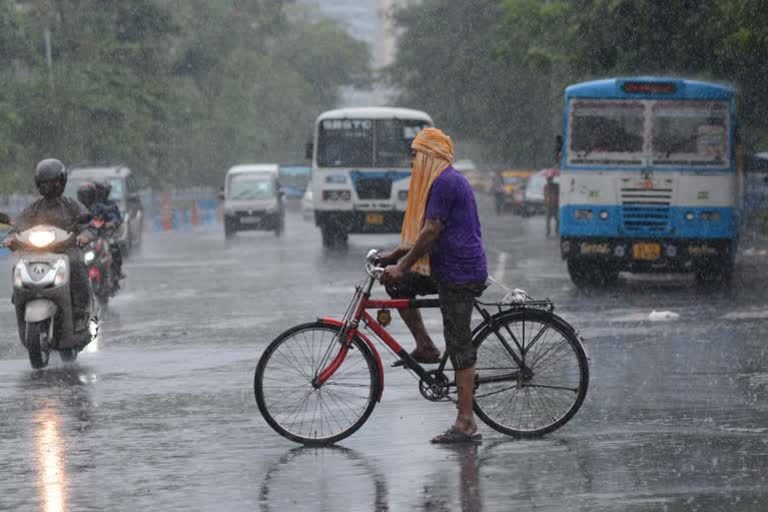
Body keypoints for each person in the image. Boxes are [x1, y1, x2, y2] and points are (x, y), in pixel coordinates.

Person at [377, 127, 488, 443]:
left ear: (430, 156)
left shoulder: (444, 182)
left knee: (459, 346)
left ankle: (466, 422)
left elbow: (431, 231)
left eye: (416, 155)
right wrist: (395, 256)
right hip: (444, 266)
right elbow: (420, 231)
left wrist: (402, 265)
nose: (413, 162)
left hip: (460, 272)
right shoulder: (437, 182)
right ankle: (425, 346)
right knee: (398, 287)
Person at [3, 159, 95, 330]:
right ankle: (21, 300)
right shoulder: (33, 208)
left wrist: (84, 236)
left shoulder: (71, 205)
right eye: (45, 183)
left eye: (54, 182)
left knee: (77, 264)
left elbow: (88, 225)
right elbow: (19, 227)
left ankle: (80, 311)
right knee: (19, 267)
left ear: (62, 182)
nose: (50, 186)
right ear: (39, 185)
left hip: (66, 251)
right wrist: (11, 238)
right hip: (36, 252)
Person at [93, 181, 125, 279]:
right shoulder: (88, 205)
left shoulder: (111, 205)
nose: (99, 192)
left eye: (101, 190)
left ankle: (117, 271)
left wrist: (112, 223)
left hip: (105, 235)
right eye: (97, 190)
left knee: (114, 248)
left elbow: (117, 218)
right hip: (91, 235)